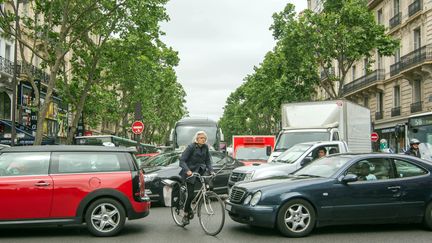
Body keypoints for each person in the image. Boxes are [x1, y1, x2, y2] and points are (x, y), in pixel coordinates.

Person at [178, 131, 215, 225]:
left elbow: (208, 161)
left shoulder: (206, 147)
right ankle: (186, 214)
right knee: (190, 195)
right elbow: (182, 161)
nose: (203, 139)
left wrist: (211, 170)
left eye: (204, 138)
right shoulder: (191, 147)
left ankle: (204, 196)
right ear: (197, 139)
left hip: (200, 171)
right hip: (190, 172)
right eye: (201, 138)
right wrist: (187, 170)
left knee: (208, 184)